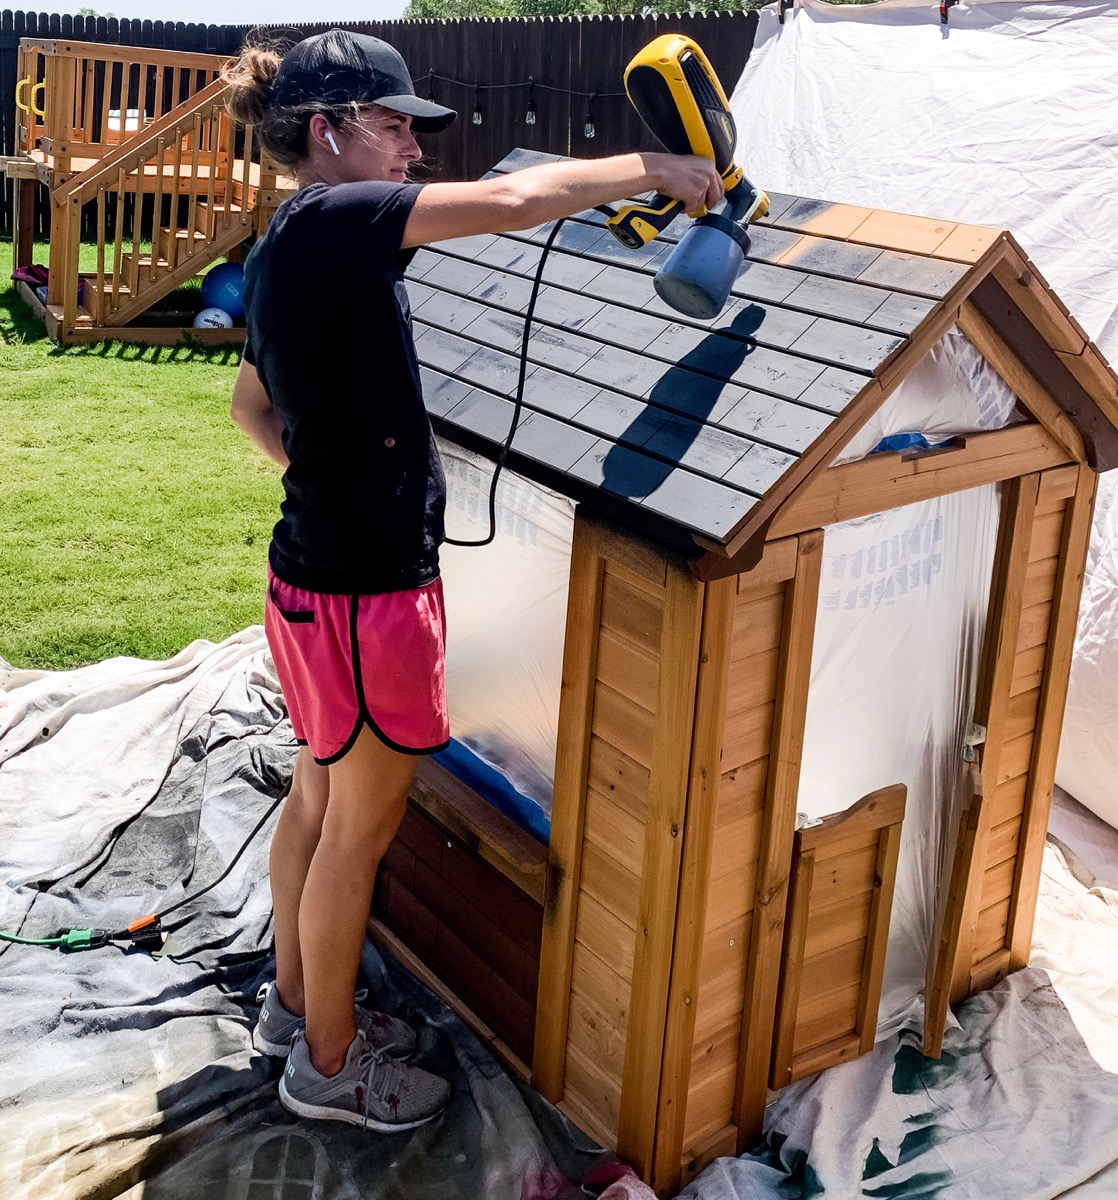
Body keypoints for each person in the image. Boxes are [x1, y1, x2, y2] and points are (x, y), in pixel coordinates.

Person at [225, 28, 722, 1134]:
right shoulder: (336, 220)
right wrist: (657, 170)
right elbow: (508, 204)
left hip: (310, 582)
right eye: (396, 126)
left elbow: (251, 410)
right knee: (359, 830)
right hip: (365, 597)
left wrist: (339, 467)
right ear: (328, 131)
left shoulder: (283, 249)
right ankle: (330, 1067)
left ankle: (295, 1008)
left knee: (315, 799)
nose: (414, 148)